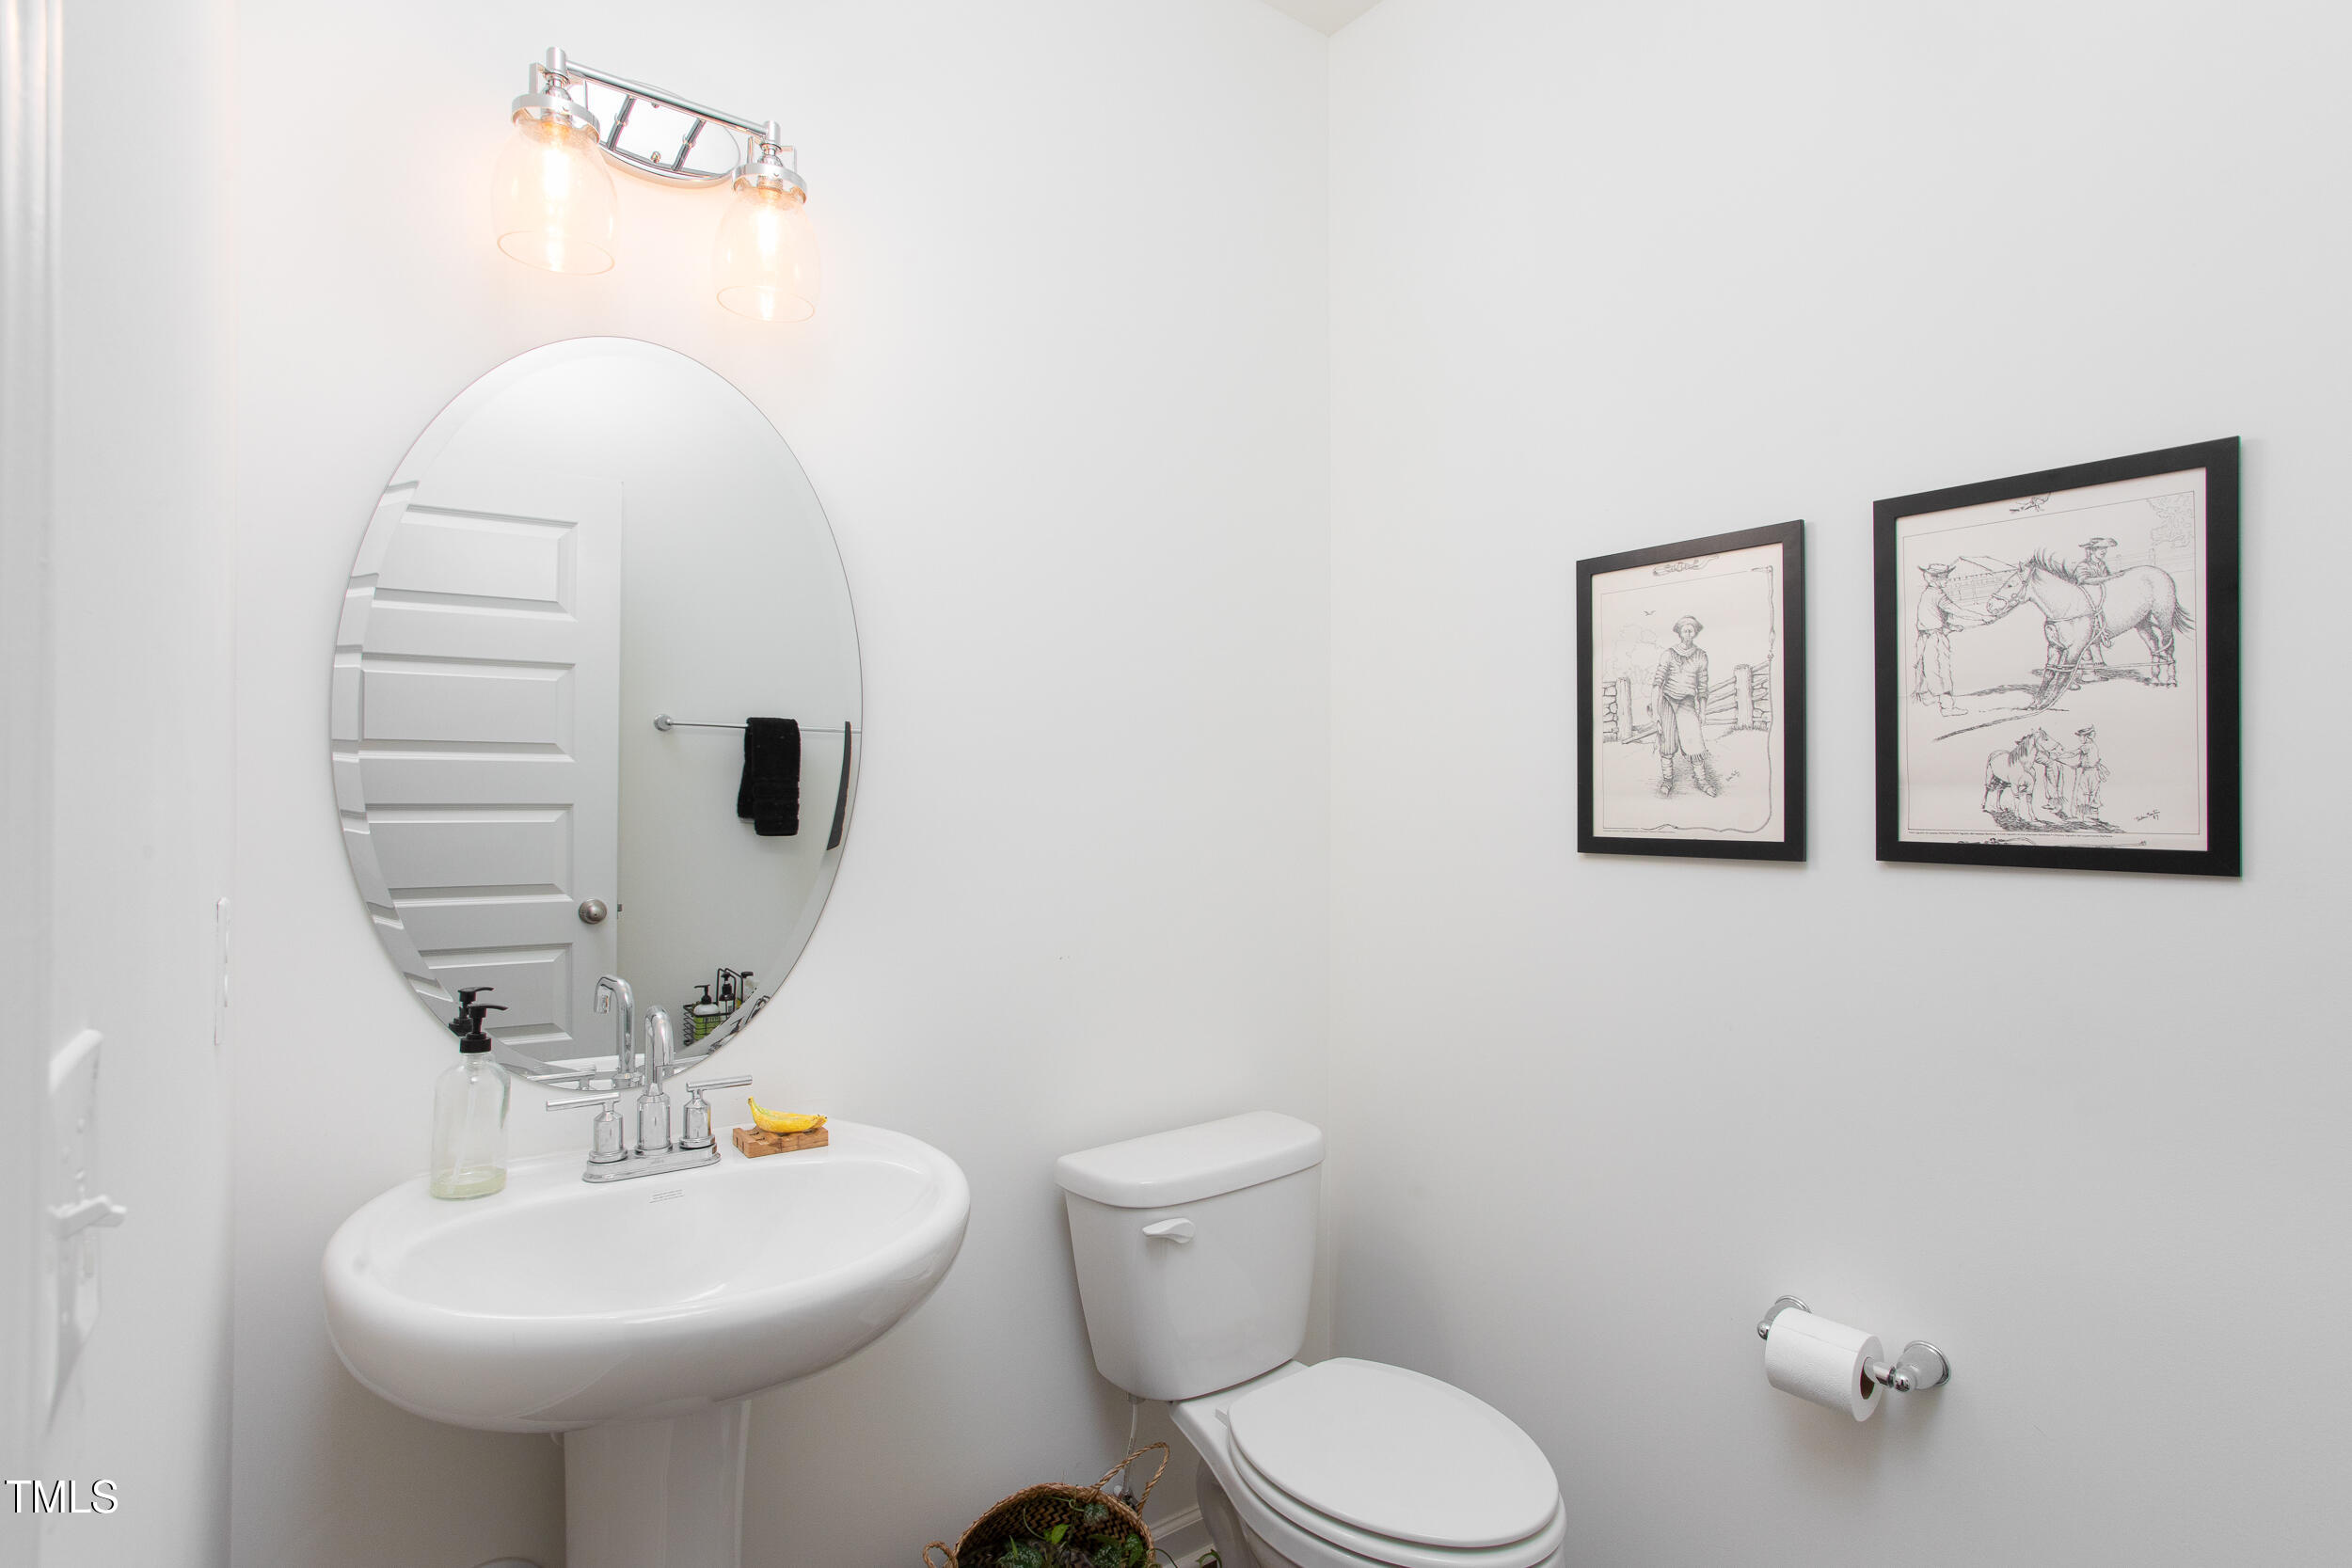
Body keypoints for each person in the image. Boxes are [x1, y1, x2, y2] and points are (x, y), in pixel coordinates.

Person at [1652, 616, 1717, 797]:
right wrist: (1656, 713)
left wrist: (1703, 711)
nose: (1688, 633)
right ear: (1679, 632)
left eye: (1691, 630)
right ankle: (1667, 780)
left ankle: (1703, 781)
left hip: (1687, 702)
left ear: (1695, 633)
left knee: (1694, 742)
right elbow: (1657, 684)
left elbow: (1703, 687)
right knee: (1667, 741)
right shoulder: (1668, 654)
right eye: (1685, 630)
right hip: (1667, 701)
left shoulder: (1701, 656)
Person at [1913, 562, 1982, 717]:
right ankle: (1947, 707)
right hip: (1934, 638)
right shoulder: (1937, 594)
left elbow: (1932, 618)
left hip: (1926, 636)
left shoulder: (1928, 593)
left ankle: (1926, 698)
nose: (1947, 580)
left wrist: (1951, 627)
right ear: (1936, 578)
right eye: (1945, 577)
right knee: (1940, 669)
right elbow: (1955, 610)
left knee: (1925, 668)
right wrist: (1980, 617)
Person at [2071, 724, 2106, 814]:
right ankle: (2092, 815)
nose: (2079, 739)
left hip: (2089, 772)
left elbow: (2072, 754)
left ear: (2086, 737)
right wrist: (2078, 765)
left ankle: (2084, 815)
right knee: (2093, 793)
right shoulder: (2092, 745)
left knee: (2085, 793)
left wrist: (2058, 756)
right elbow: (2086, 759)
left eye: (2080, 736)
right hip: (2092, 771)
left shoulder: (2087, 746)